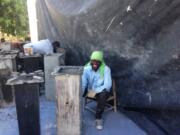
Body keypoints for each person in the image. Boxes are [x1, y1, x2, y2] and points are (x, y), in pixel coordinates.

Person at [82, 51, 112, 130]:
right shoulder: (86, 69)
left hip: (101, 91)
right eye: (93, 60)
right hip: (90, 90)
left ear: (101, 61)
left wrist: (95, 91)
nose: (95, 63)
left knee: (103, 94)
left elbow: (107, 85)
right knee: (80, 90)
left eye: (97, 61)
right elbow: (83, 83)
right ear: (90, 61)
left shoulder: (106, 69)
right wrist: (81, 93)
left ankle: (98, 118)